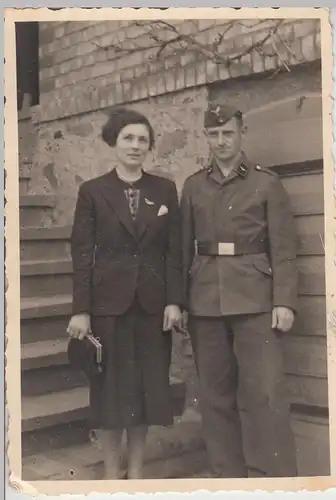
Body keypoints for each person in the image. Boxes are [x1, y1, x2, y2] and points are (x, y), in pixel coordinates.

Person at [180, 104, 298, 478]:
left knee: (266, 394)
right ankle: (228, 478)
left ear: (241, 132)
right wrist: (182, 302)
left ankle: (277, 480)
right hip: (205, 300)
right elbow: (183, 249)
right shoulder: (194, 185)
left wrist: (284, 301)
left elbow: (283, 246)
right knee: (214, 398)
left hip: (256, 300)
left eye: (227, 133)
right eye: (213, 134)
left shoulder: (266, 183)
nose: (220, 142)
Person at [67, 106, 183, 480]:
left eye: (143, 140)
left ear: (150, 147)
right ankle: (111, 473)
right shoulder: (93, 192)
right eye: (128, 139)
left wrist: (174, 300)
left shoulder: (164, 189)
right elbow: (82, 253)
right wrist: (81, 309)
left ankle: (136, 473)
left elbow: (174, 251)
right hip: (108, 308)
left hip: (152, 307)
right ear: (114, 143)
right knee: (110, 395)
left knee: (147, 392)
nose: (136, 146)